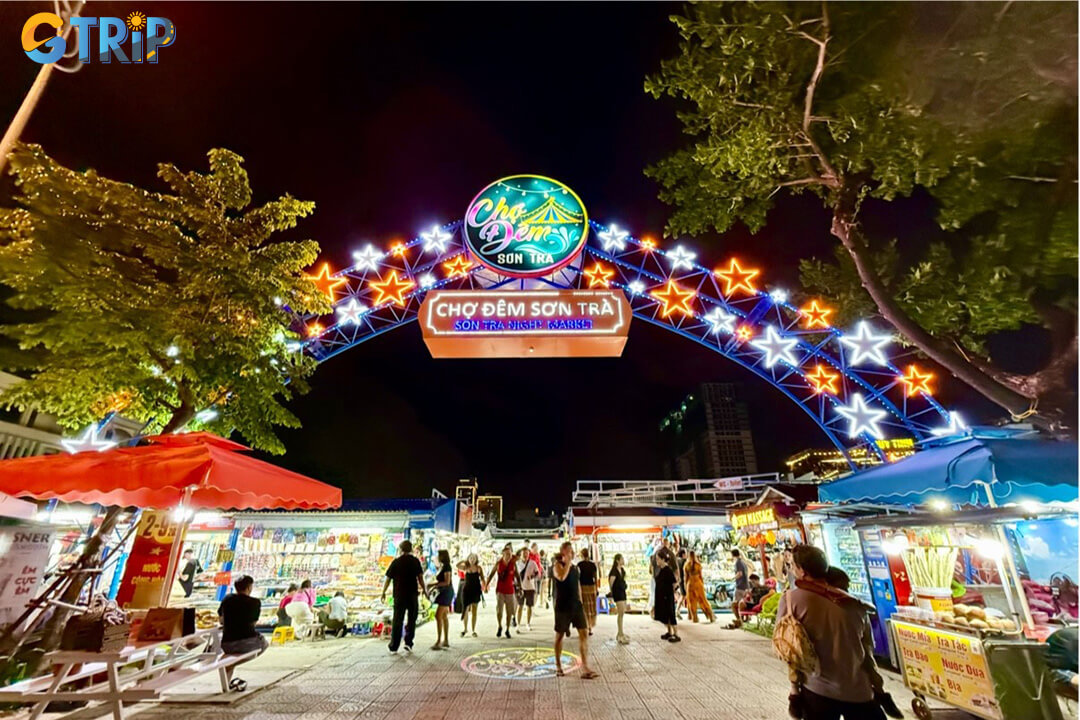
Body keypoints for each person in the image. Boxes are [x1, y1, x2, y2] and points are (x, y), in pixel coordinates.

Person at [778, 545, 887, 720]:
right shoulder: (856, 605)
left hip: (817, 689)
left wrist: (794, 689)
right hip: (860, 689)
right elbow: (868, 648)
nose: (791, 570)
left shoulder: (791, 600)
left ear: (802, 571)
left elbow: (785, 648)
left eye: (792, 566)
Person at [825, 567, 902, 719]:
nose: (846, 590)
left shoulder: (817, 607)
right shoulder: (858, 609)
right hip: (856, 686)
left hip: (828, 686)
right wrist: (878, 686)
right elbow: (868, 650)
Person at [551, 541, 598, 679]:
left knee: (583, 633)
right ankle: (558, 666)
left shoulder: (575, 567)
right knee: (559, 636)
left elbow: (577, 584)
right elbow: (561, 577)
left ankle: (585, 667)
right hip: (562, 606)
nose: (571, 553)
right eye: (568, 551)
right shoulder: (558, 566)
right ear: (563, 552)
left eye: (572, 551)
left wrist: (581, 601)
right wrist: (568, 563)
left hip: (576, 605)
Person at [217, 575, 268, 692]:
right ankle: (231, 664)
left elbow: (220, 619)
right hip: (247, 643)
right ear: (249, 587)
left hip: (227, 644)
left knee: (232, 657)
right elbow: (253, 623)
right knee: (264, 643)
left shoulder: (227, 599)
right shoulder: (255, 602)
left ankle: (227, 681)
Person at [381, 540, 426, 654]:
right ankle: (408, 642)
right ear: (410, 549)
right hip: (412, 595)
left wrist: (383, 592)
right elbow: (420, 578)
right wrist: (424, 590)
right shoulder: (415, 561)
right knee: (412, 619)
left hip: (399, 595)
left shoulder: (396, 562)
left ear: (401, 549)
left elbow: (388, 578)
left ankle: (394, 646)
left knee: (397, 620)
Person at [486, 544, 518, 638]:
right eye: (507, 554)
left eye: (510, 554)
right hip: (500, 590)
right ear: (503, 554)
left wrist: (520, 587)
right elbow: (491, 574)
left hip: (510, 591)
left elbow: (517, 575)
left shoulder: (513, 564)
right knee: (499, 611)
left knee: (509, 612)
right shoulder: (498, 563)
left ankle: (507, 629)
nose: (509, 556)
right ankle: (500, 626)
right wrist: (486, 585)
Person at [654, 553, 681, 642]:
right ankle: (669, 632)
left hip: (667, 596)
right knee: (665, 614)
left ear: (663, 559)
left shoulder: (667, 570)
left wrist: (670, 593)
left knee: (670, 614)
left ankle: (676, 634)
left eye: (658, 559)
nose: (657, 561)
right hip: (662, 596)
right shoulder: (661, 570)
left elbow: (674, 583)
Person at [684, 550, 715, 623]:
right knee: (703, 600)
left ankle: (695, 617)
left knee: (692, 601)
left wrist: (686, 586)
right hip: (698, 583)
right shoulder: (698, 565)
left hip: (690, 584)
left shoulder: (686, 565)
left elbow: (686, 577)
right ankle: (710, 616)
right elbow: (701, 576)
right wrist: (702, 584)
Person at [431, 549, 454, 650]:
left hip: (446, 592)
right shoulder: (442, 566)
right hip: (443, 592)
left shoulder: (447, 567)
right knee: (444, 616)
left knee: (438, 615)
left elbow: (447, 582)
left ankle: (439, 640)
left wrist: (434, 585)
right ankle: (445, 640)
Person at [457, 553, 483, 637]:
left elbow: (482, 578)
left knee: (474, 610)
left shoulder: (478, 568)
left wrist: (485, 586)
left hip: (475, 590)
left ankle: (473, 630)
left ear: (476, 559)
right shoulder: (465, 567)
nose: (472, 559)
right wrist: (463, 561)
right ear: (468, 558)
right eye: (471, 558)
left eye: (474, 558)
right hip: (466, 591)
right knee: (465, 609)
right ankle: (465, 629)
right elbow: (457, 565)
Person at [516, 547, 541, 631]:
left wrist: (532, 576)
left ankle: (528, 623)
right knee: (520, 606)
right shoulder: (517, 564)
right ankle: (518, 624)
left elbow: (538, 574)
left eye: (526, 553)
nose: (525, 554)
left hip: (530, 587)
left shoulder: (532, 563)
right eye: (523, 553)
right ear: (521, 554)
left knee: (529, 606)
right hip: (520, 588)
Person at [608, 553, 630, 644]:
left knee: (622, 612)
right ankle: (620, 634)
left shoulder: (622, 570)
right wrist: (612, 593)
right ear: (617, 560)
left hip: (623, 591)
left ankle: (620, 633)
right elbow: (611, 582)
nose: (623, 560)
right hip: (617, 592)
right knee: (620, 612)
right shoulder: (614, 571)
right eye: (621, 559)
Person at [727, 548, 750, 628]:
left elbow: (739, 574)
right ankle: (745, 618)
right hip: (745, 585)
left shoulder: (738, 563)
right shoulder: (743, 562)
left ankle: (739, 619)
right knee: (743, 602)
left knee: (735, 603)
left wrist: (733, 578)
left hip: (740, 586)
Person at [578, 549, 599, 635]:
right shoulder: (593, 565)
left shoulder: (579, 565)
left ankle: (584, 627)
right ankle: (590, 627)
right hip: (591, 587)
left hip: (583, 588)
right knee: (591, 608)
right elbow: (595, 577)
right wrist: (596, 588)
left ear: (582, 555)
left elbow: (578, 579)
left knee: (584, 608)